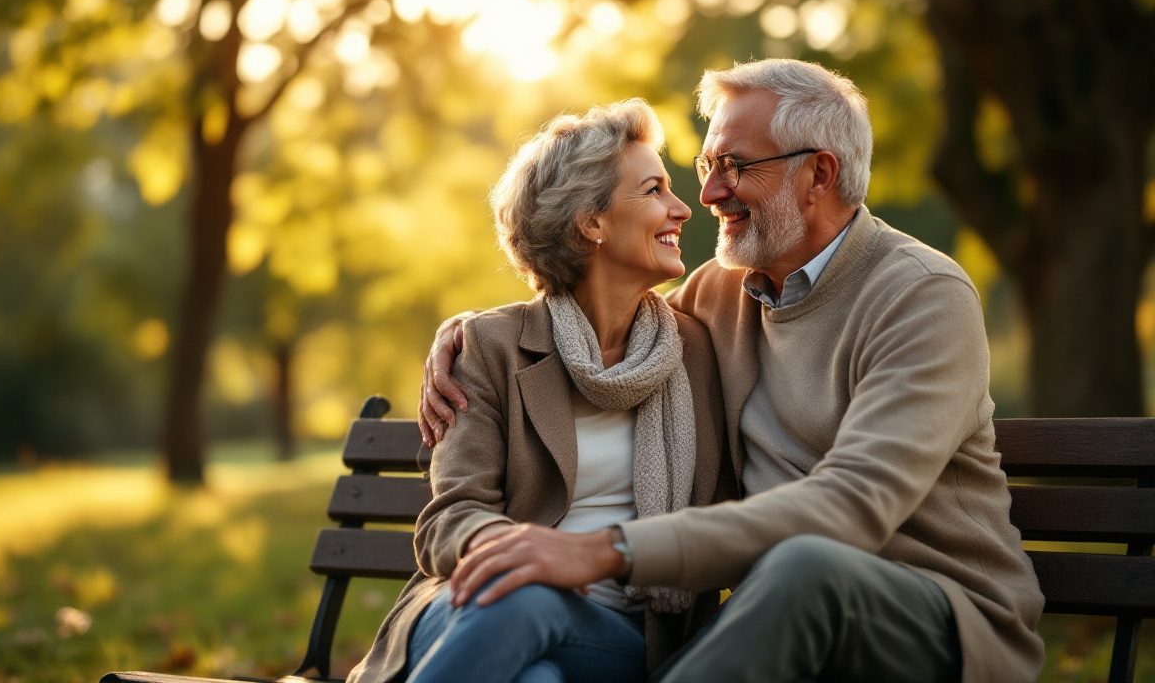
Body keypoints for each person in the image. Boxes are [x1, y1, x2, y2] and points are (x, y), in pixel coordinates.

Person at [419, 59, 1045, 683]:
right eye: (707, 167)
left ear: (818, 174)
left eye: (734, 166)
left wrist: (602, 551)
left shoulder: (922, 295)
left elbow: (854, 506)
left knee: (805, 569)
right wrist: (473, 334)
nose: (708, 195)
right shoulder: (720, 293)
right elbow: (595, 324)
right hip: (770, 619)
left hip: (935, 620)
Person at [348, 99, 734, 683]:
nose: (682, 208)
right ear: (591, 221)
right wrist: (530, 556)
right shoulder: (491, 348)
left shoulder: (698, 351)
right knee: (527, 629)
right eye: (654, 189)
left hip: (624, 640)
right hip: (472, 607)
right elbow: (448, 520)